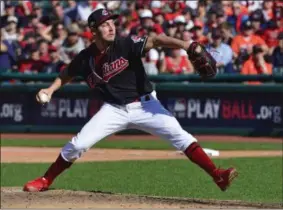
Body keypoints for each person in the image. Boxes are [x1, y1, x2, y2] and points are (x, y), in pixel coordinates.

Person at [23, 9, 237, 192]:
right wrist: (50, 90)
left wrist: (185, 44)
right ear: (94, 31)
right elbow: (67, 72)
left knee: (182, 137)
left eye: (112, 23)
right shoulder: (85, 58)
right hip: (114, 110)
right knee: (78, 144)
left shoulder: (125, 44)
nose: (111, 27)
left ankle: (217, 175)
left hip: (146, 104)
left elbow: (155, 39)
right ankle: (45, 180)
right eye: (104, 24)